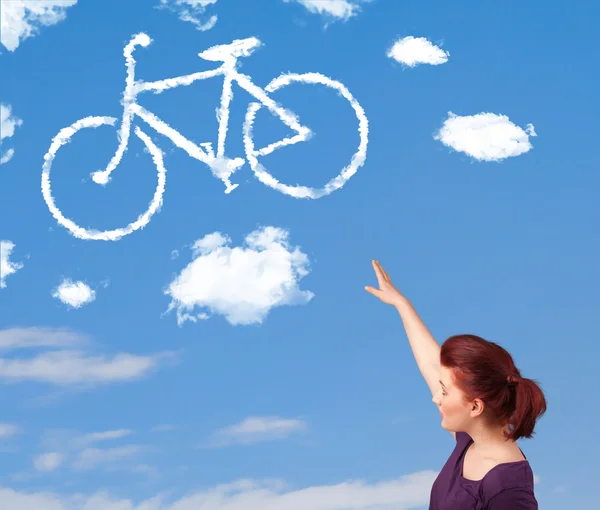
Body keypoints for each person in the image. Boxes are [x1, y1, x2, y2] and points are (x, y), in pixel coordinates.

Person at [365, 260, 547, 510]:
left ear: (475, 406)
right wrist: (402, 305)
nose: (435, 397)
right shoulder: (471, 438)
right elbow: (432, 365)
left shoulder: (507, 486)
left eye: (444, 391)